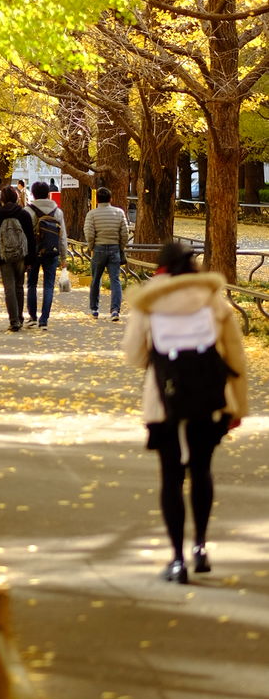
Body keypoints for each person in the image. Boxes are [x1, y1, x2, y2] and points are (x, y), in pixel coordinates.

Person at [123, 242, 248, 583]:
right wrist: (238, 407)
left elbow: (135, 355)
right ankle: (201, 547)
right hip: (210, 399)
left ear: (161, 268)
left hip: (165, 401)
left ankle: (177, 559)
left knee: (171, 478)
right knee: (201, 470)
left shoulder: (149, 303)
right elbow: (236, 359)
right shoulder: (213, 301)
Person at [0, 185, 34, 331]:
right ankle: (19, 316)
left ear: (2, 199)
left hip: (4, 255)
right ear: (16, 197)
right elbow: (30, 238)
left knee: (9, 288)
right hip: (21, 256)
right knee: (19, 286)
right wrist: (30, 259)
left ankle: (14, 321)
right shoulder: (24, 214)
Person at [26, 180, 68, 330]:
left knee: (31, 284)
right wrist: (64, 258)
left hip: (33, 252)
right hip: (52, 252)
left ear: (33, 194)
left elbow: (25, 235)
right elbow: (62, 236)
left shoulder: (28, 211)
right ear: (48, 193)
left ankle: (32, 316)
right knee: (48, 286)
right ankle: (44, 319)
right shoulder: (57, 211)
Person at [84, 186, 129, 321]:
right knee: (115, 280)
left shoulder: (92, 214)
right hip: (114, 248)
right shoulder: (119, 212)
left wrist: (91, 247)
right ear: (110, 199)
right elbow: (125, 233)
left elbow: (89, 233)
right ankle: (115, 310)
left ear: (97, 199)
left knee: (96, 279)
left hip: (98, 249)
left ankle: (94, 309)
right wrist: (120, 247)